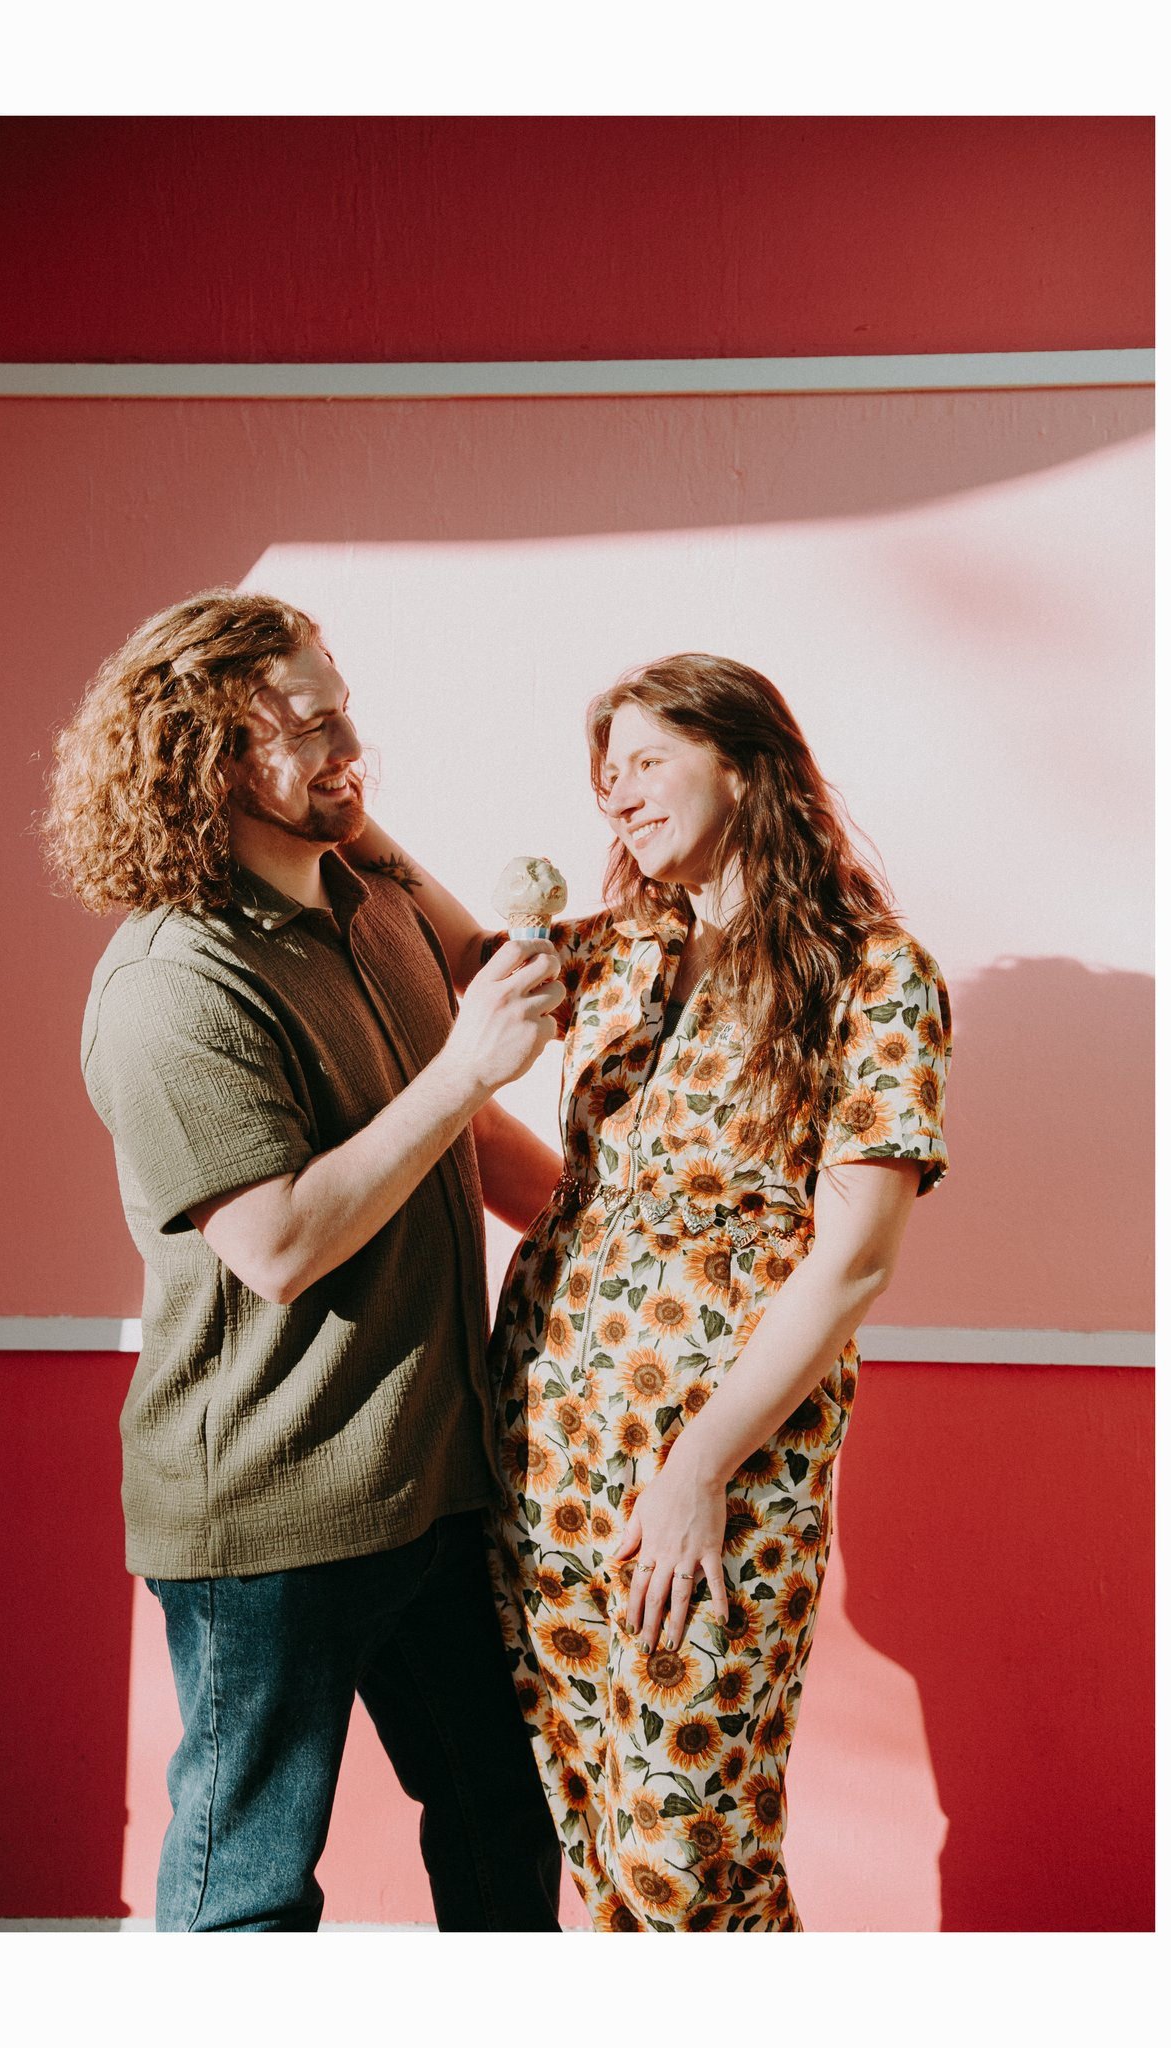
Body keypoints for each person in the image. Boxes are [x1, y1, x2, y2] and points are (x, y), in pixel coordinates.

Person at [349, 651, 952, 1932]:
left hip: (712, 1469)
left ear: (746, 759)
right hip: (544, 1453)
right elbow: (472, 960)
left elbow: (854, 1256)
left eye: (644, 759)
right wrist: (358, 821)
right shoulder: (620, 951)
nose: (613, 793)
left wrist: (695, 1470)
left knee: (693, 1844)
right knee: (594, 1825)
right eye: (601, 772)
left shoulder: (871, 970)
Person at [41, 588, 568, 1933]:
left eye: (346, 703)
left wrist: (605, 1226)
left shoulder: (367, 897)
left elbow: (459, 1061)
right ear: (210, 758)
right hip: (267, 1522)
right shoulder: (172, 985)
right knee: (250, 1887)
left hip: (432, 1480)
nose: (351, 738)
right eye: (311, 720)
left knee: (506, 1821)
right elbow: (276, 1243)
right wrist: (465, 1069)